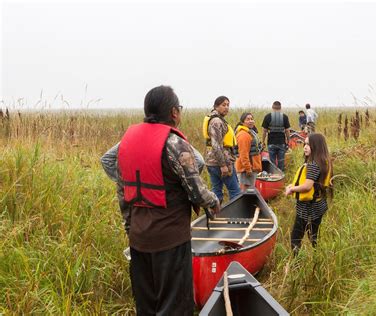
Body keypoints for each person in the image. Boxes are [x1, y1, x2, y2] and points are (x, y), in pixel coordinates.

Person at [100, 85, 220, 315]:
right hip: (170, 240)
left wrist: (130, 225)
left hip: (138, 238)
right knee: (175, 306)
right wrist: (213, 201)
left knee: (147, 306)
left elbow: (116, 179)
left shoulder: (127, 142)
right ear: (174, 112)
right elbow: (196, 191)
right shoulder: (174, 143)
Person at [284, 133, 332, 254]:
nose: (305, 147)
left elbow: (307, 186)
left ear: (316, 146)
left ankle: (297, 263)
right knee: (314, 235)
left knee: (296, 237)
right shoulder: (324, 161)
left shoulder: (313, 165)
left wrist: (292, 189)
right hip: (319, 204)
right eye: (304, 144)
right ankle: (317, 256)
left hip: (308, 207)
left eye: (308, 145)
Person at [203, 96, 241, 203]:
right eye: (223, 105)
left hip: (211, 162)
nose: (226, 107)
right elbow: (216, 145)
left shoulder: (214, 119)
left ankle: (216, 215)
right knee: (235, 191)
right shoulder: (216, 121)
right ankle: (237, 217)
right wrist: (223, 165)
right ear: (216, 106)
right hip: (220, 162)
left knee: (216, 191)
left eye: (228, 105)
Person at [234, 112, 263, 190]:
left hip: (251, 167)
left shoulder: (250, 132)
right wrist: (248, 169)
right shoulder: (244, 135)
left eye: (252, 119)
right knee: (245, 190)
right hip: (246, 169)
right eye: (248, 119)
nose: (251, 121)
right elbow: (243, 154)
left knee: (249, 190)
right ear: (243, 122)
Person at [261, 101, 291, 172]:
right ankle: (281, 175)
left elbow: (264, 131)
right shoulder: (285, 117)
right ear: (280, 108)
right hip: (281, 142)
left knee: (272, 162)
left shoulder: (267, 116)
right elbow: (287, 131)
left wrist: (263, 142)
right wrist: (288, 141)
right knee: (281, 162)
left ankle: (273, 175)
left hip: (271, 142)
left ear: (272, 107)